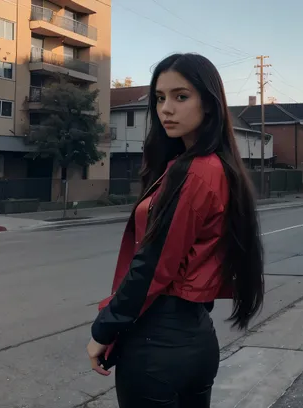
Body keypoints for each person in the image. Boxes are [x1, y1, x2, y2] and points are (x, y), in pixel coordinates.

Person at [86, 53, 265, 407]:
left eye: (181, 97)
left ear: (210, 105)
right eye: (160, 97)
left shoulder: (195, 172)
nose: (166, 108)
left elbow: (154, 264)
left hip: (158, 348)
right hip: (194, 338)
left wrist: (104, 329)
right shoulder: (214, 167)